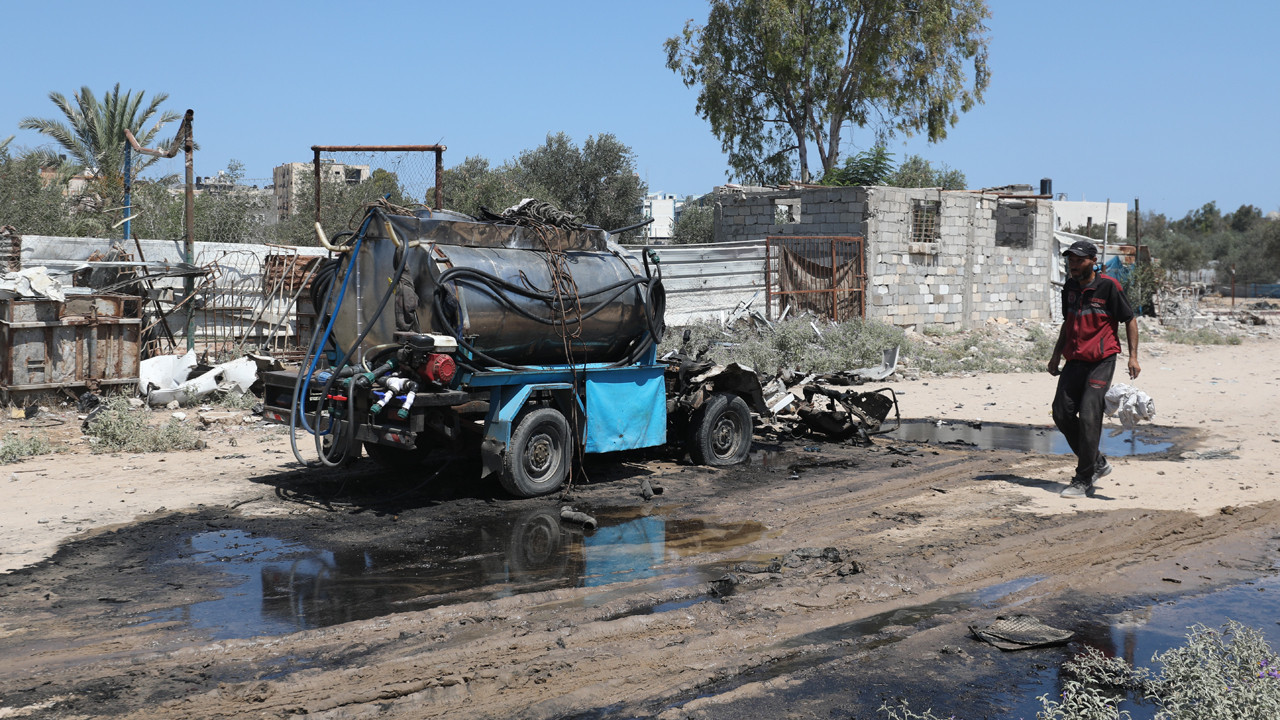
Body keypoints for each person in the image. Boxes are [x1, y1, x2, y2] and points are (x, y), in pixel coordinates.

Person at [1047, 239, 1140, 498]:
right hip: (1074, 359)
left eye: (1079, 260)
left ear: (1093, 261)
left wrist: (1133, 357)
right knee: (1061, 413)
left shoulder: (1109, 286)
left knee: (1089, 416)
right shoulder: (1069, 287)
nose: (1073, 265)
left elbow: (1129, 319)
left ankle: (1083, 478)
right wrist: (1056, 355)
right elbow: (1068, 323)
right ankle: (1097, 462)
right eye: (1071, 260)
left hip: (1101, 361)